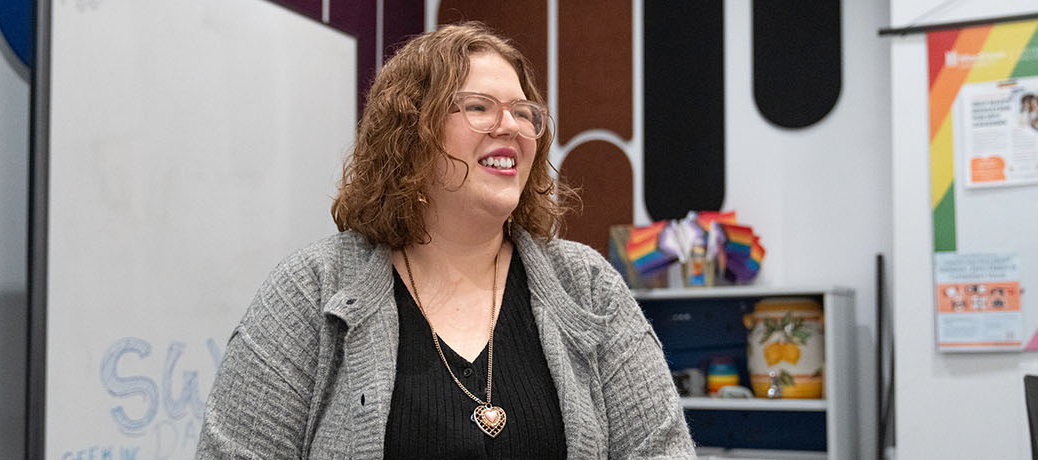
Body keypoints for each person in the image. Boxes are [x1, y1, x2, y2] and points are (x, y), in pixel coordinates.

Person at [197, 22, 695, 459]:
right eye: (479, 107)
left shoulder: (586, 285)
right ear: (412, 132)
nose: (512, 127)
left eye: (525, 113)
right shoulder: (310, 289)